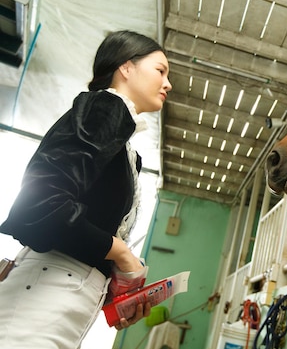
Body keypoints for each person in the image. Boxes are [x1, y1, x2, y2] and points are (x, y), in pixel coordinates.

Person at [0, 30, 172, 348]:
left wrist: (113, 288)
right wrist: (122, 255)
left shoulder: (126, 146)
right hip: (42, 300)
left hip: (62, 301)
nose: (167, 83)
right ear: (126, 67)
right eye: (160, 70)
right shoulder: (107, 109)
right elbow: (40, 207)